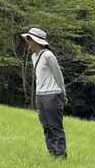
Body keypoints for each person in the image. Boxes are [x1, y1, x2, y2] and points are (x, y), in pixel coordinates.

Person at [22, 27, 68, 159]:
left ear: (36, 41)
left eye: (29, 40)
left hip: (52, 95)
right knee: (46, 126)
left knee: (55, 126)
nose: (27, 43)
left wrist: (63, 93)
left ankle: (61, 154)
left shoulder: (48, 55)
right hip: (40, 95)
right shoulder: (34, 56)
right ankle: (52, 152)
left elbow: (58, 75)